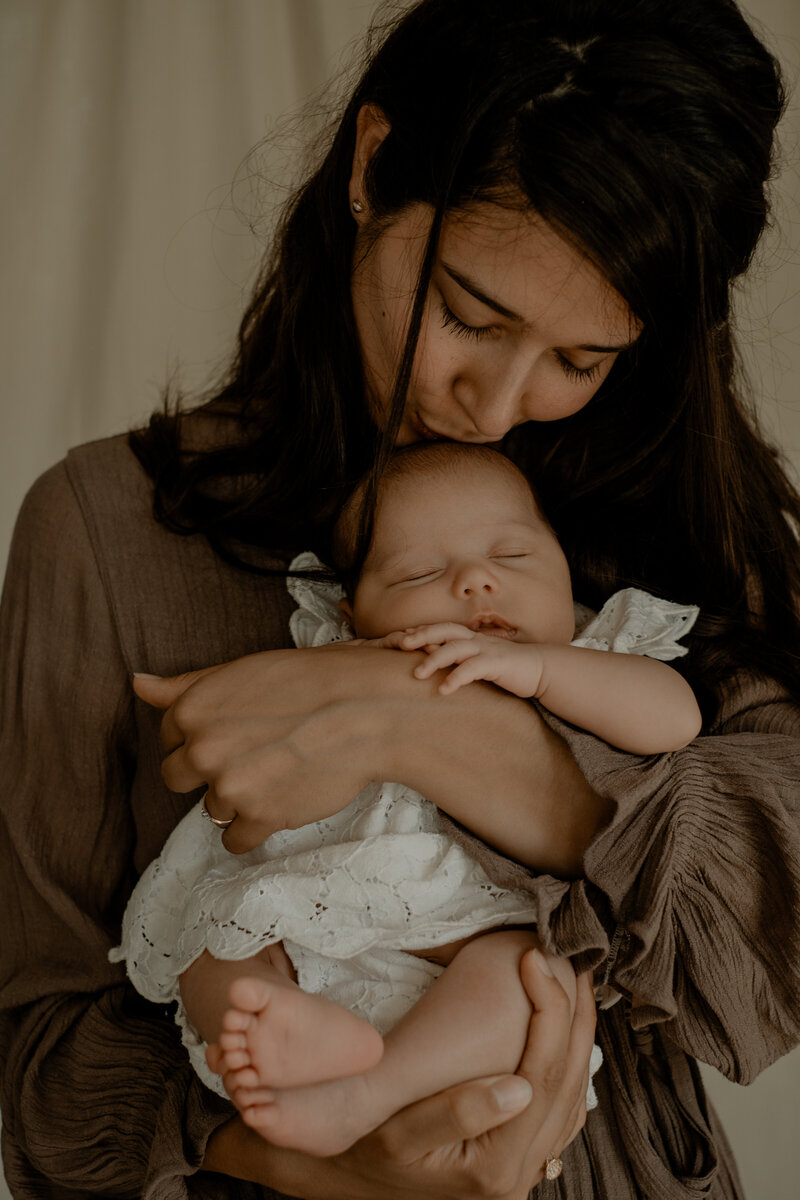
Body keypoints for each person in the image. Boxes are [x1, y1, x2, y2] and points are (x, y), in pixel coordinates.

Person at [1, 0, 799, 1197]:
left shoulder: (671, 525)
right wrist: (323, 1165)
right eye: (470, 316)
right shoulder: (106, 531)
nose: (495, 403)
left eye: (581, 362)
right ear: (372, 166)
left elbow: (767, 942)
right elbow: (37, 1061)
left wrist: (417, 723)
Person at [111, 442, 700, 1158]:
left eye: (513, 556)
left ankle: (367, 1093)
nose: (478, 582)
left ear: (564, 569)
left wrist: (541, 668)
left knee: (534, 979)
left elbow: (676, 719)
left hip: (478, 925)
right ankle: (288, 1027)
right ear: (353, 611)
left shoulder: (588, 654)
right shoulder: (342, 658)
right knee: (212, 946)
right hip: (321, 906)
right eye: (422, 571)